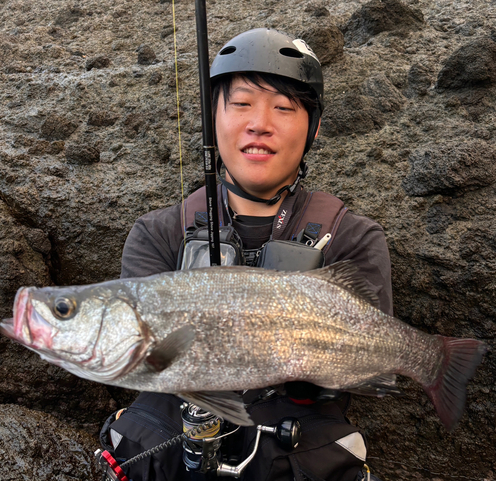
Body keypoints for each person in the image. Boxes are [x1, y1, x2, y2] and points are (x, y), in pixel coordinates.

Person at [103, 28, 393, 481]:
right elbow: (137, 359)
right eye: (240, 104)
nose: (260, 122)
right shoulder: (156, 234)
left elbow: (367, 360)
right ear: (212, 119)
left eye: (283, 108)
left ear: (313, 128)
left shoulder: (353, 237)